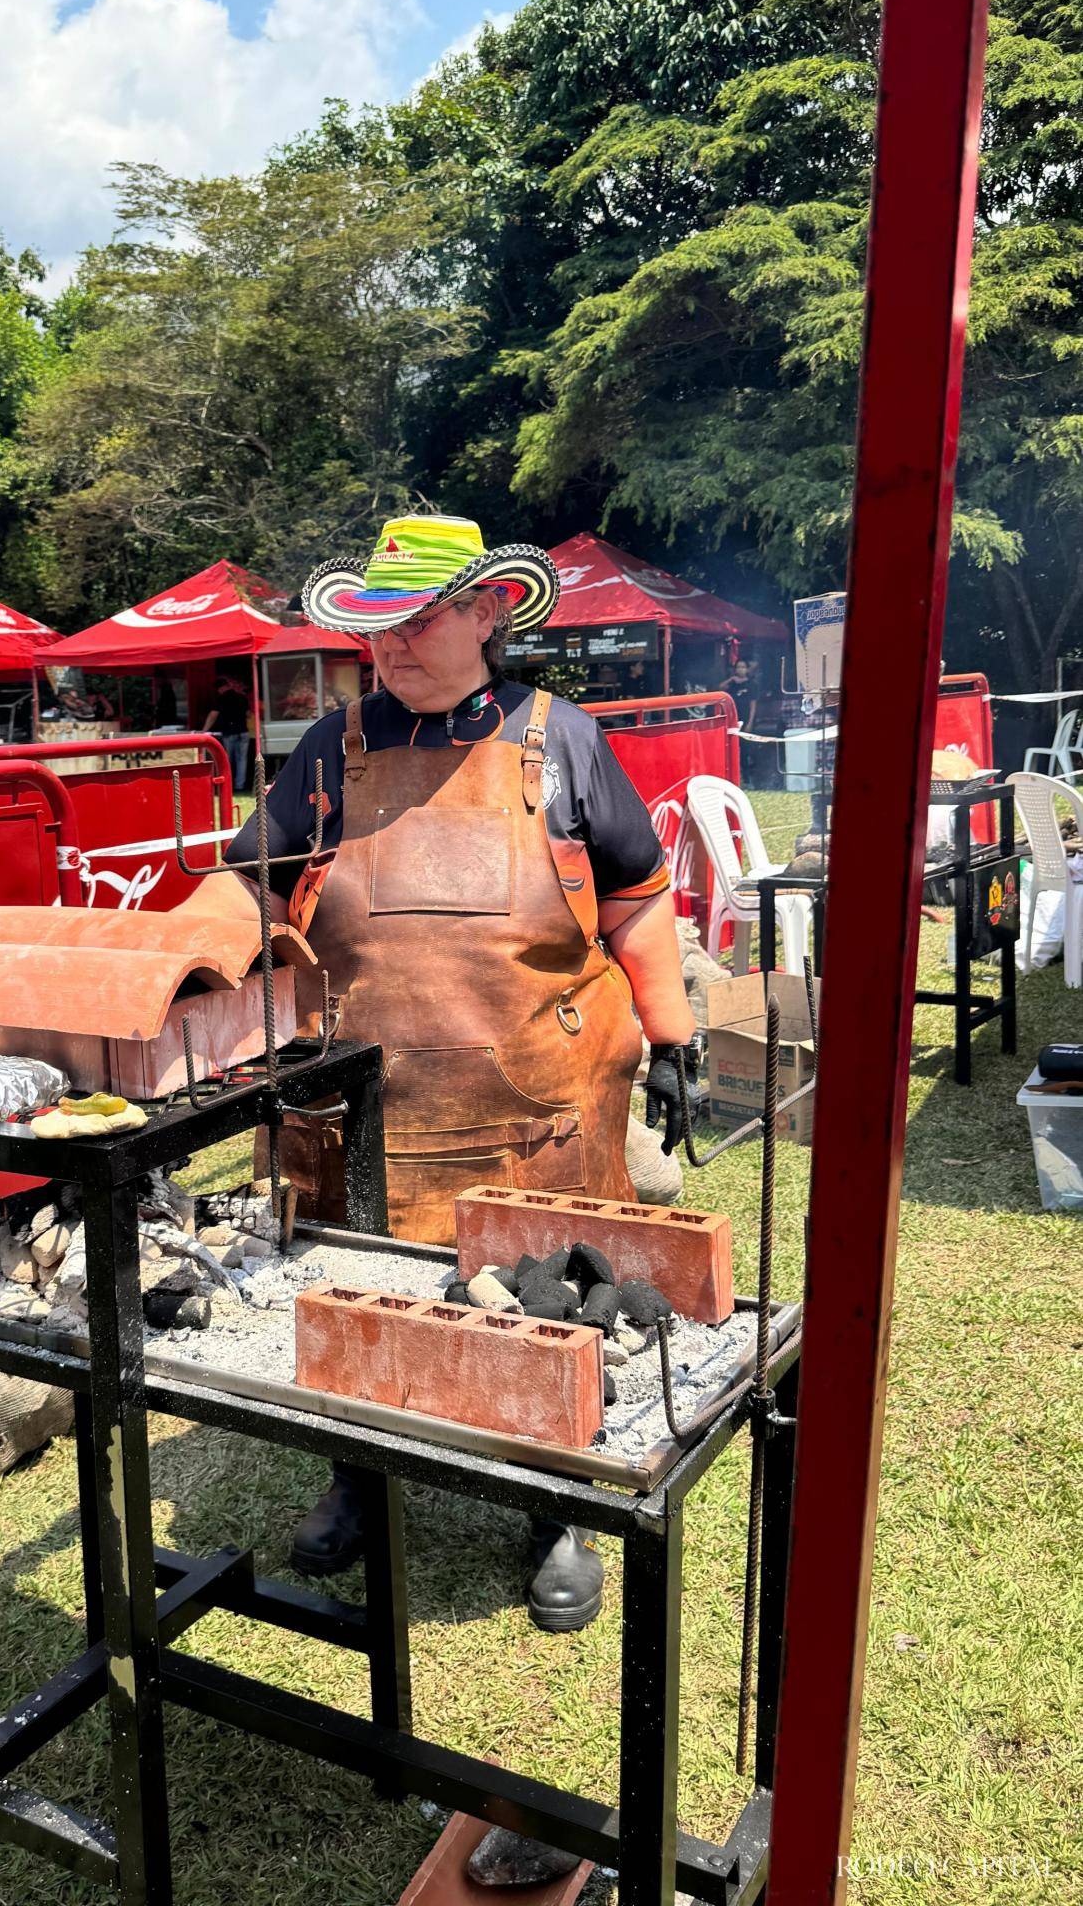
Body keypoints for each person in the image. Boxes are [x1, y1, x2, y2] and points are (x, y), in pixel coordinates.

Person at [180, 514, 700, 1632]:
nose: (392, 645)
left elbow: (637, 897)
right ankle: (359, 1479)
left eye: (417, 620)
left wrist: (674, 1029)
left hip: (537, 1114)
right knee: (359, 1303)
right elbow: (252, 884)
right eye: (377, 625)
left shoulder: (562, 740)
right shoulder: (333, 746)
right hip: (365, 1114)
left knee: (547, 1306)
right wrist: (187, 954)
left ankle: (553, 1502)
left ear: (487, 614)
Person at [203, 672, 251, 790]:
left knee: (228, 760)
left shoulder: (221, 699)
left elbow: (213, 715)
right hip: (243, 732)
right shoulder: (242, 698)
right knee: (242, 760)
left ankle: (228, 784)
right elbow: (249, 714)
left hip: (229, 733)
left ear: (220, 689)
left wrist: (204, 730)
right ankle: (240, 785)